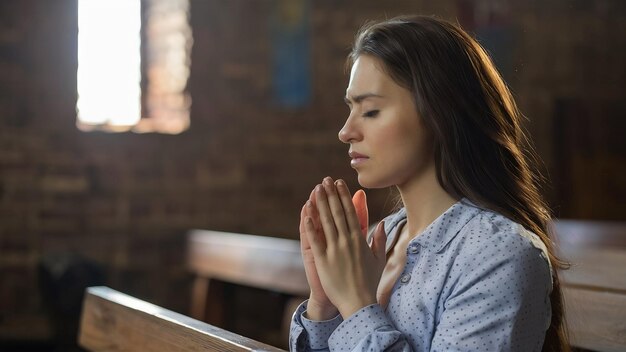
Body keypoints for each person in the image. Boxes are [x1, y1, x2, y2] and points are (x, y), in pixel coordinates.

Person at [289, 15, 569, 352]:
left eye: (371, 111)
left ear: (439, 112)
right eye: (351, 108)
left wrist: (356, 303)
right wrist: (324, 305)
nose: (346, 131)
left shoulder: (500, 256)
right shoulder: (384, 237)